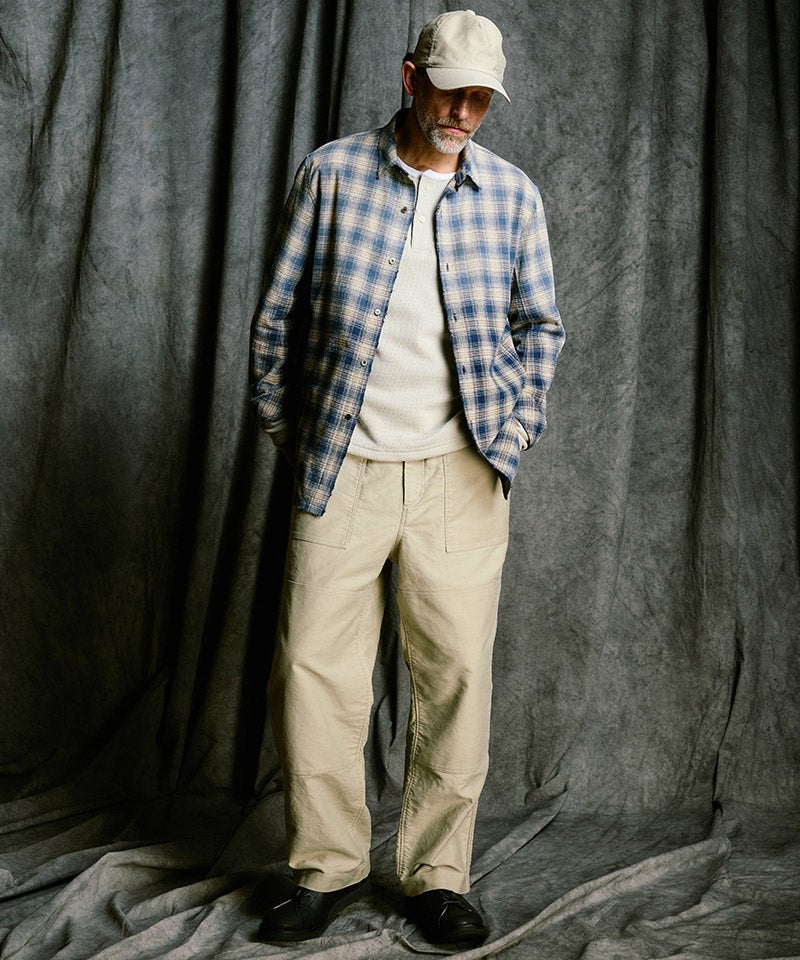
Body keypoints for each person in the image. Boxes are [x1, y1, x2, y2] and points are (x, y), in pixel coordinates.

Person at [249, 8, 564, 948]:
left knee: (457, 676)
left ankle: (437, 878)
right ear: (410, 77)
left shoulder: (512, 197)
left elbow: (540, 327)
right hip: (341, 466)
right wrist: (292, 431)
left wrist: (512, 433)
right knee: (313, 673)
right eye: (451, 90)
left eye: (481, 98)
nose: (464, 112)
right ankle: (326, 869)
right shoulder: (332, 173)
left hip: (460, 472)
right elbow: (278, 317)